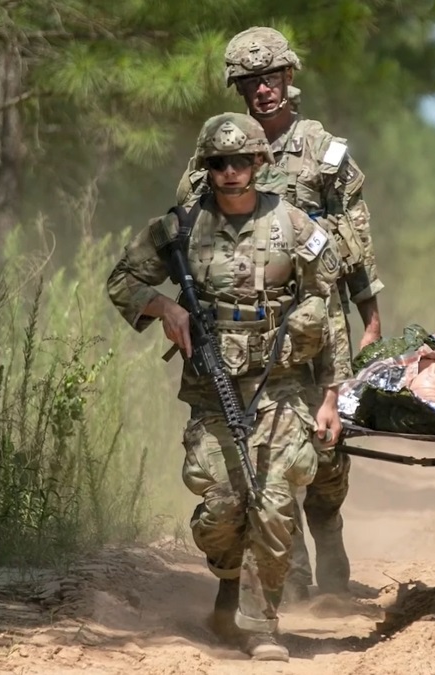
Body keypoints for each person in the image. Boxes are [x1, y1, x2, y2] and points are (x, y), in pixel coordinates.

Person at [107, 113, 351, 662]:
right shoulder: (179, 228)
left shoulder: (296, 227)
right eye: (220, 163)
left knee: (276, 497)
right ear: (206, 168)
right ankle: (225, 579)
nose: (232, 172)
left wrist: (332, 397)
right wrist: (164, 305)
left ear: (261, 164)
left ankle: (261, 622)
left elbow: (327, 311)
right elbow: (122, 281)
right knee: (222, 504)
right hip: (212, 390)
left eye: (243, 161)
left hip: (282, 387)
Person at [178, 26, 380, 603]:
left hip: (317, 313)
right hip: (243, 327)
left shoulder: (324, 151)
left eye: (271, 78)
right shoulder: (217, 149)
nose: (262, 90)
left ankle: (329, 531)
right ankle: (285, 572)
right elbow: (188, 232)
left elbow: (358, 243)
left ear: (289, 78)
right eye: (250, 81)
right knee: (259, 443)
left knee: (324, 443)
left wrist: (370, 317)